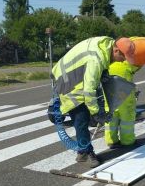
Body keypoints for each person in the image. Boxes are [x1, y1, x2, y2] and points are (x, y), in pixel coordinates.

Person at [51, 36, 124, 168]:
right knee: (81, 119)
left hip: (72, 75)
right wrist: (96, 112)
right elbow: (89, 90)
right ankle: (85, 153)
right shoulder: (96, 60)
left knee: (83, 118)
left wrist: (104, 73)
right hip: (68, 82)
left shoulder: (106, 45)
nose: (124, 60)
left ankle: (82, 151)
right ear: (117, 50)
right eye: (123, 57)